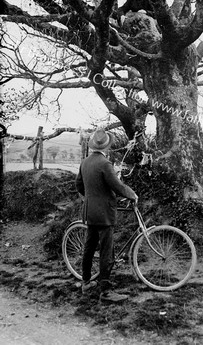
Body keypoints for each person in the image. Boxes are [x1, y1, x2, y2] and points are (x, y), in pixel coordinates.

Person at [75, 128, 138, 302]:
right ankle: (106, 291)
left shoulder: (85, 162)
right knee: (106, 251)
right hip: (104, 213)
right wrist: (132, 195)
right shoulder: (105, 164)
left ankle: (86, 282)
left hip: (90, 212)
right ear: (106, 147)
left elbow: (79, 185)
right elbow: (117, 186)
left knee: (89, 247)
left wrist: (90, 197)